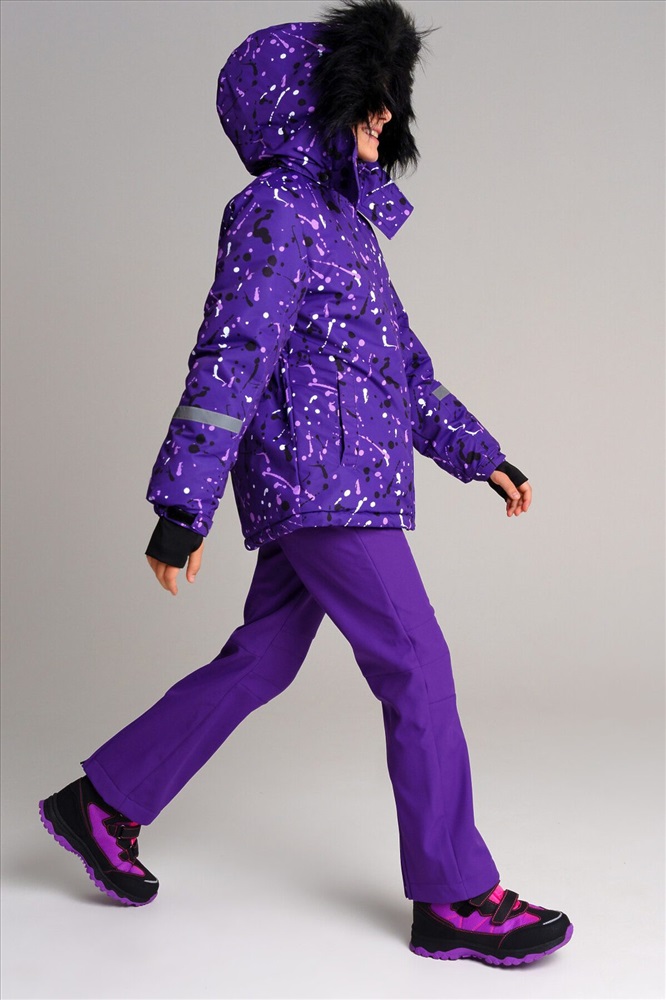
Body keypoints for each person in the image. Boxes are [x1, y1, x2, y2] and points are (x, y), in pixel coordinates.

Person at [39, 0, 572, 966]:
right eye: (368, 100)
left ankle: (104, 800)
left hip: (343, 482)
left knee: (264, 659)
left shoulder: (347, 225)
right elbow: (231, 355)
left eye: (389, 100)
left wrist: (479, 453)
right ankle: (454, 894)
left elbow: (404, 370)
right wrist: (182, 506)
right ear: (310, 107)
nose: (385, 117)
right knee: (417, 662)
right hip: (320, 483)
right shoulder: (276, 212)